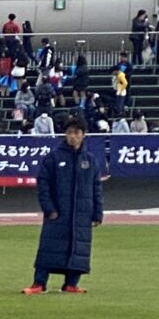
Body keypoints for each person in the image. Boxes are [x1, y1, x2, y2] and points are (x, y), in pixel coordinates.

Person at [25, 118, 104, 294]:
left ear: (83, 135)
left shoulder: (90, 160)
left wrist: (97, 213)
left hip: (82, 214)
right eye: (69, 133)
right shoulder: (54, 158)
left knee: (78, 248)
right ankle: (39, 283)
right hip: (58, 212)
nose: (73, 136)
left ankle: (71, 283)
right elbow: (43, 185)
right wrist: (49, 209)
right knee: (49, 248)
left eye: (76, 133)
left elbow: (96, 188)